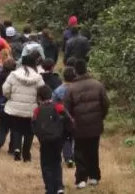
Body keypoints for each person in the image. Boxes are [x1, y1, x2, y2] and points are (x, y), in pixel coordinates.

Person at [64, 59, 109, 188]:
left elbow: (66, 108)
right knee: (93, 150)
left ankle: (81, 178)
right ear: (86, 69)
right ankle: (94, 176)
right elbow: (105, 104)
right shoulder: (98, 85)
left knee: (79, 151)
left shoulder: (71, 88)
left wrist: (70, 123)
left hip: (78, 125)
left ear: (75, 72)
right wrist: (101, 117)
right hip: (95, 124)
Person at [3, 53, 45, 162]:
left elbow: (6, 90)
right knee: (29, 132)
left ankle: (16, 149)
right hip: (31, 108)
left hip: (15, 107)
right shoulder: (38, 77)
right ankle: (26, 154)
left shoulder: (13, 74)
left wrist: (11, 98)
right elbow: (43, 92)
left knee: (16, 129)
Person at [33, 84, 73, 194]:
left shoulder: (37, 110)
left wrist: (40, 137)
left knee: (46, 165)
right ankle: (59, 186)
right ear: (51, 95)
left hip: (45, 141)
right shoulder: (58, 106)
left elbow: (34, 125)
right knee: (56, 162)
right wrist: (66, 135)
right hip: (57, 140)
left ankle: (49, 188)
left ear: (39, 98)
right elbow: (69, 120)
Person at [52, 66, 77, 168]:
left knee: (66, 138)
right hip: (76, 117)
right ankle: (76, 156)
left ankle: (68, 157)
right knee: (76, 137)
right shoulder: (77, 89)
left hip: (62, 118)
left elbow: (53, 105)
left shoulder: (58, 90)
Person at [0, 57, 16, 153]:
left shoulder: (0, 77)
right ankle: (12, 148)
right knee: (15, 128)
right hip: (14, 105)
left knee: (2, 126)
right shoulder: (16, 78)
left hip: (2, 106)